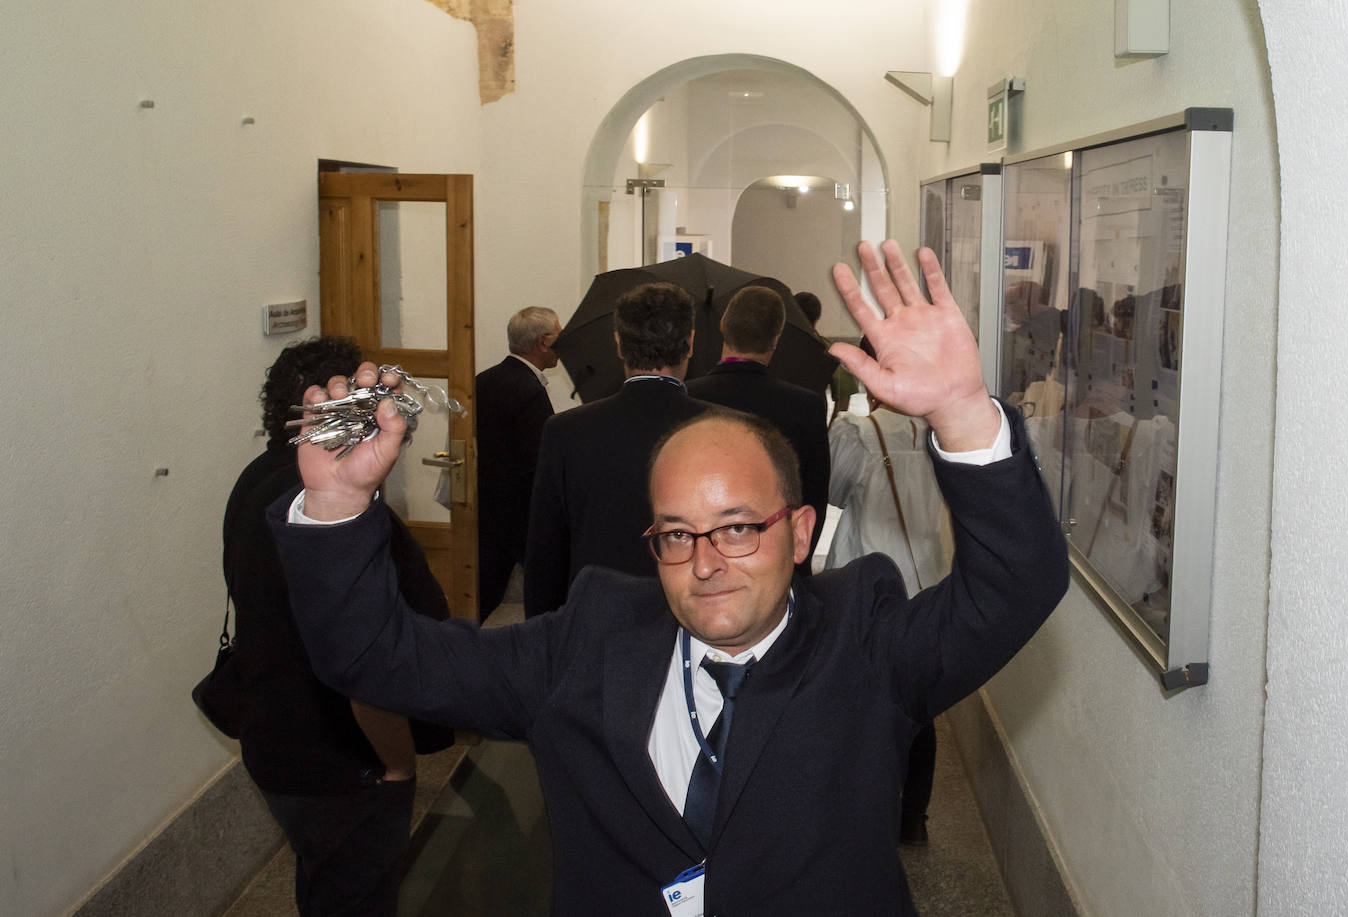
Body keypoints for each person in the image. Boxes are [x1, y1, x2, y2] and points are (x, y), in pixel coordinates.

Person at [270, 242, 1068, 916]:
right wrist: (336, 506)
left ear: (799, 532)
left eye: (739, 527)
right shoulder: (586, 642)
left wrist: (965, 415)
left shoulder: (865, 644)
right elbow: (377, 657)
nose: (706, 561)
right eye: (678, 534)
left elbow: (1018, 583)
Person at [223, 336, 453, 917]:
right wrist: (397, 764)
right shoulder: (346, 521)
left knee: (323, 884)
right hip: (340, 757)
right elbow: (370, 662)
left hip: (270, 739)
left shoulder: (254, 480)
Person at [826, 335, 951, 845]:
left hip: (869, 583)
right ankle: (913, 817)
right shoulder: (941, 432)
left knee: (861, 700)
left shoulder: (855, 434)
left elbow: (831, 494)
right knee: (918, 705)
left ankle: (863, 812)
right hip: (927, 580)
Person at [521, 281, 708, 616]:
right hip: (693, 611)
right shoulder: (726, 430)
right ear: (691, 343)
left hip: (596, 615)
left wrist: (544, 632)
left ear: (619, 344)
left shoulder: (566, 431)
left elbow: (545, 553)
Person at [687, 285, 830, 573]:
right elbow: (815, 495)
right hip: (775, 558)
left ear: (723, 325)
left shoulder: (687, 398)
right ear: (776, 340)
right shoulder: (805, 405)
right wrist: (797, 563)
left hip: (700, 555)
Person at [475, 306, 561, 620]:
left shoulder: (483, 380)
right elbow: (538, 461)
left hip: (484, 505)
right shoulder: (529, 390)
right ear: (543, 342)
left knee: (482, 593)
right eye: (559, 336)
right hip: (518, 512)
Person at [796, 289, 860, 420]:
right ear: (817, 318)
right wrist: (832, 428)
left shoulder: (775, 345)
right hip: (814, 418)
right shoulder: (828, 349)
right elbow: (844, 393)